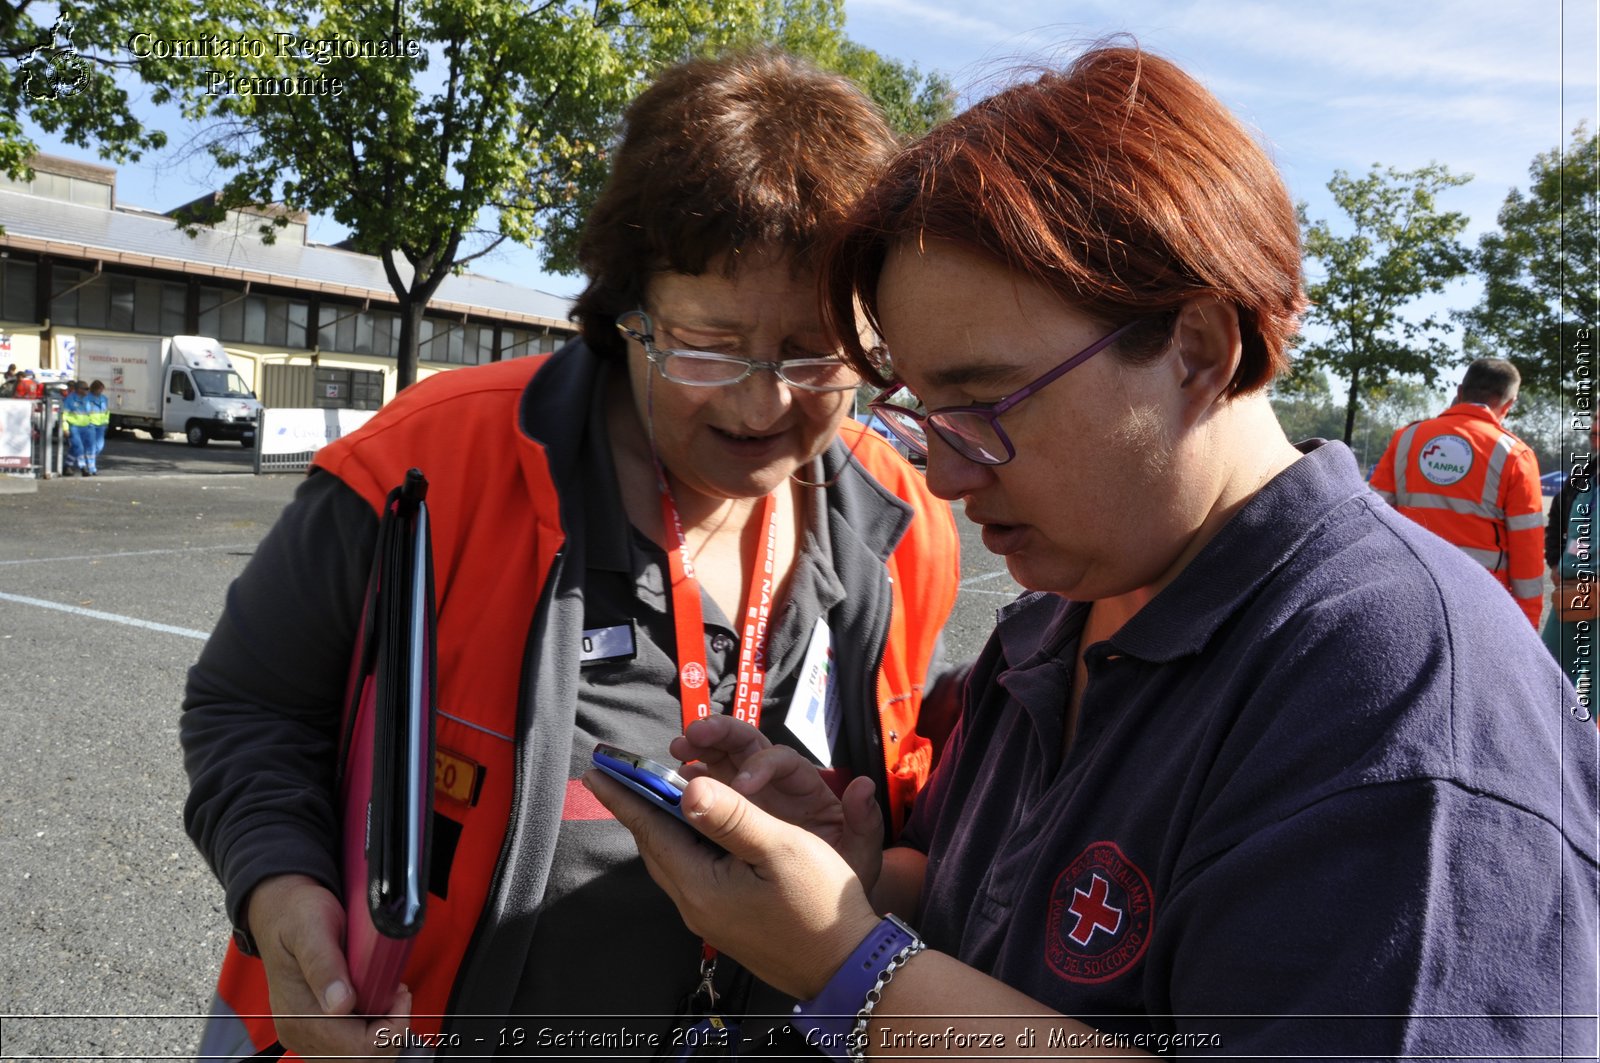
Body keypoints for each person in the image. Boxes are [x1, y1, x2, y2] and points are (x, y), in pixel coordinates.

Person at [590, 44, 1600, 1059]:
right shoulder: (1051, 624)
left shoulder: (1403, 704)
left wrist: (849, 967)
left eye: (983, 404)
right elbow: (990, 910)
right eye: (924, 409)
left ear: (1198, 349)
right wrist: (849, 870)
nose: (941, 477)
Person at [181, 49, 964, 1060]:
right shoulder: (424, 461)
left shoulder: (907, 522)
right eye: (710, 344)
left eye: (816, 354)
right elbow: (250, 705)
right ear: (625, 308)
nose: (761, 400)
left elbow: (907, 804)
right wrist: (280, 888)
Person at [1370, 357, 1546, 627]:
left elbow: (1373, 517)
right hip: (1481, 601)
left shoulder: (1407, 438)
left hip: (1407, 588)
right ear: (1508, 404)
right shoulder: (1515, 455)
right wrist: (1527, 624)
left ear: (1460, 391)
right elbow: (1527, 549)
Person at [1544, 416, 1600, 705]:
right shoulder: (1585, 476)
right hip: (1570, 592)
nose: (1595, 428)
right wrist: (1555, 562)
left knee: (1592, 694)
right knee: (1548, 677)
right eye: (1596, 419)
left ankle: (1588, 748)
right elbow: (1557, 517)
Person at [61, 380, 91, 475]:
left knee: (75, 448)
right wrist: (65, 428)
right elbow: (64, 415)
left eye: (88, 388)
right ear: (78, 389)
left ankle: (67, 466)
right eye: (85, 389)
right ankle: (83, 468)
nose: (87, 390)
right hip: (74, 427)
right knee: (79, 448)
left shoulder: (87, 399)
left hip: (85, 427)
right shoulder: (70, 400)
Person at [81, 379, 109, 476]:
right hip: (90, 424)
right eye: (100, 389)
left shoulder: (104, 399)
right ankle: (92, 468)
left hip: (101, 425)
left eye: (102, 389)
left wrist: (106, 422)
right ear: (95, 389)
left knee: (99, 446)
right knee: (91, 447)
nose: (101, 391)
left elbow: (106, 412)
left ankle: (87, 460)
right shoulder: (86, 398)